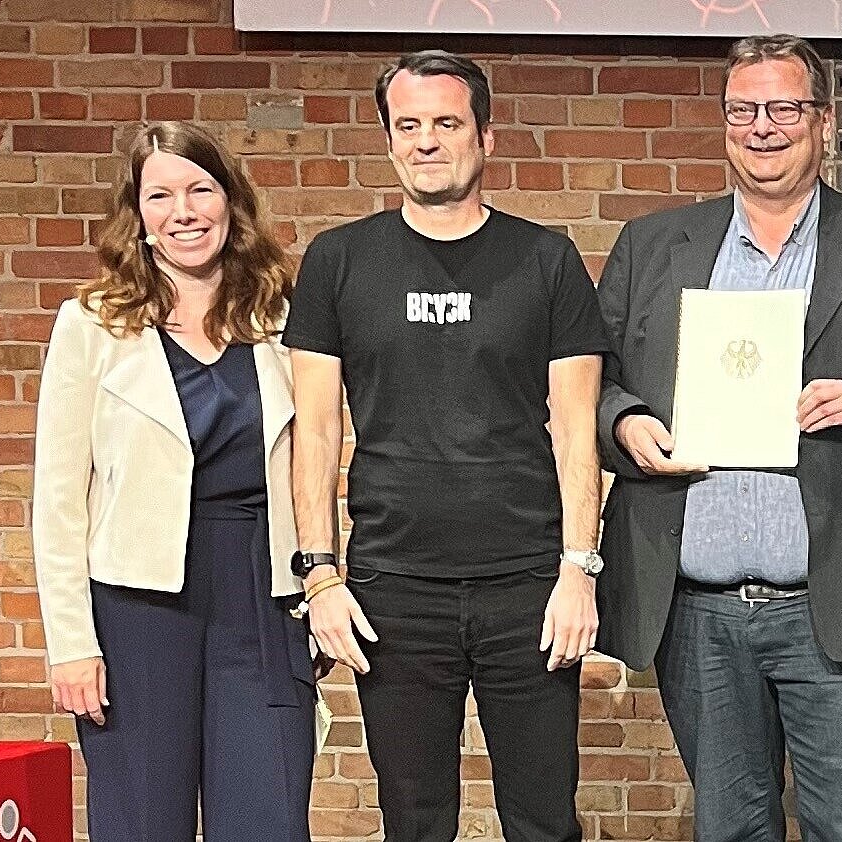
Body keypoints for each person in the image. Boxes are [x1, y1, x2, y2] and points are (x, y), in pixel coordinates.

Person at [590, 33, 842, 842]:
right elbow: (591, 381)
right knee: (729, 829)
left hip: (840, 601)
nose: (764, 126)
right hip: (699, 612)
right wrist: (624, 422)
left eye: (786, 107)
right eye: (744, 109)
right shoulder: (655, 245)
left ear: (824, 122)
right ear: (723, 122)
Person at [284, 50, 608, 842]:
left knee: (542, 819)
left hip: (528, 585)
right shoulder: (337, 260)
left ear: (485, 138)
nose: (427, 141)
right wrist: (320, 576)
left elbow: (576, 430)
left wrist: (579, 571)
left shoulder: (546, 259)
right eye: (409, 125)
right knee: (415, 821)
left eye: (447, 123)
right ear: (390, 140)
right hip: (395, 591)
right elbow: (315, 430)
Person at [31, 120, 315, 842]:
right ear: (138, 214)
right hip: (137, 610)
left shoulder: (283, 319)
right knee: (142, 823)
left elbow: (320, 459)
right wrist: (71, 643)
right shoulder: (91, 325)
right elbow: (59, 500)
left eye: (200, 189)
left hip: (262, 596)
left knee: (269, 818)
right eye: (160, 195)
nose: (183, 211)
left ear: (231, 202)